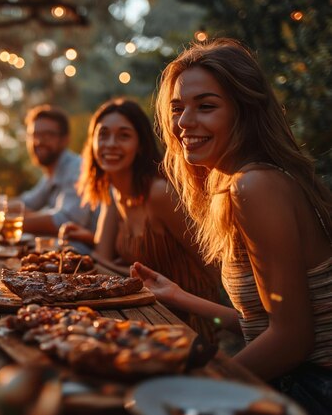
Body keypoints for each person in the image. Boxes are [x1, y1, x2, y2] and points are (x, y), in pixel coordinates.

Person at [130, 38, 332, 413]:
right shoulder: (238, 182)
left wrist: (198, 389)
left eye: (206, 107)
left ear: (245, 111)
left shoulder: (255, 186)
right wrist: (178, 295)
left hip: (312, 390)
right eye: (177, 108)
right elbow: (264, 321)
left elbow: (292, 341)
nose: (184, 123)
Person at [59, 97, 220, 338]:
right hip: (145, 314)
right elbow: (101, 260)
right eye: (103, 135)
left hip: (189, 323)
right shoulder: (114, 192)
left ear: (141, 145)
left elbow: (216, 268)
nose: (111, 144)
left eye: (123, 136)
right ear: (92, 143)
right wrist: (87, 241)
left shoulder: (159, 194)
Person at [20, 104, 97, 254]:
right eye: (34, 134)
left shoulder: (77, 168)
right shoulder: (52, 173)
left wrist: (8, 222)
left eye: (48, 134)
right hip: (64, 254)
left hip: (87, 260)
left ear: (65, 139)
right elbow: (27, 202)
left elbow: (65, 220)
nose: (39, 141)